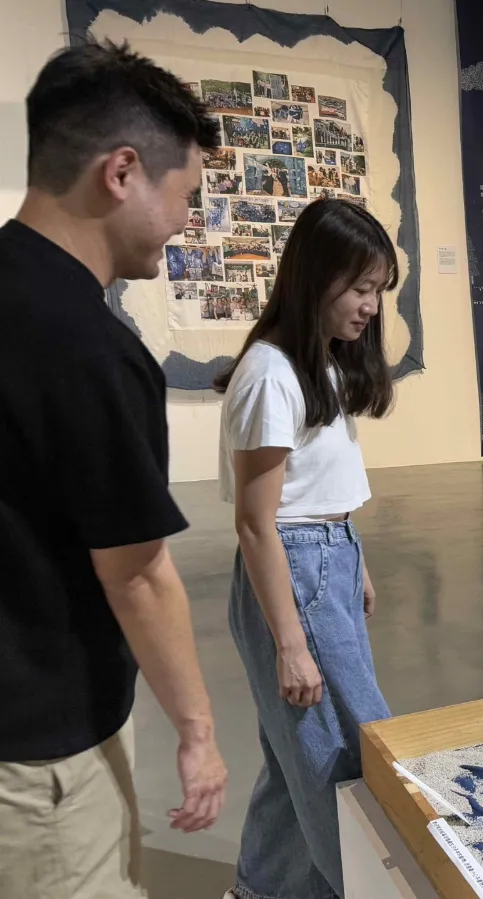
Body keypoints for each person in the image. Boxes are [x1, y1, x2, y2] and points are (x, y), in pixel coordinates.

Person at [0, 40, 228, 897]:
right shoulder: (91, 349)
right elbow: (138, 574)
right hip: (40, 757)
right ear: (122, 172)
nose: (185, 222)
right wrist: (199, 730)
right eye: (186, 196)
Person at [213, 198, 398, 899]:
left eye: (377, 290)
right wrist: (291, 640)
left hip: (327, 560)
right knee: (344, 754)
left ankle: (260, 887)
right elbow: (258, 522)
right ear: (314, 278)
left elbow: (313, 489)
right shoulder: (270, 372)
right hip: (297, 570)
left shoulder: (315, 360)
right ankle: (355, 886)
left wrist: (355, 561)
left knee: (297, 755)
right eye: (359, 288)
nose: (370, 307)